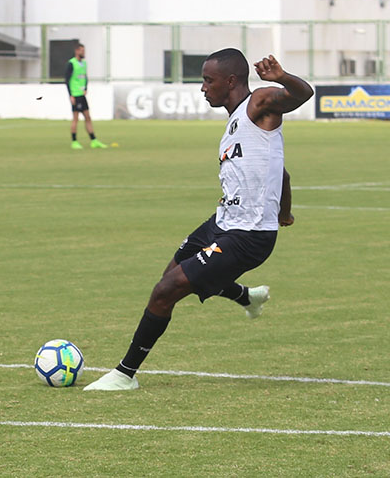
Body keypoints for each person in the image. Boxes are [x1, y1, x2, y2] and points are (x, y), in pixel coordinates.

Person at [84, 49, 313, 391]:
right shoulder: (236, 122)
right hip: (223, 221)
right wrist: (285, 211)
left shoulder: (258, 104)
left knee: (165, 292)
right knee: (171, 277)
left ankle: (124, 374)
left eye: (208, 80)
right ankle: (245, 297)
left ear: (231, 81)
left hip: (248, 235)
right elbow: (282, 172)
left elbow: (302, 94)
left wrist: (282, 78)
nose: (203, 88)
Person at [65, 43, 106, 150]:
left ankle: (94, 140)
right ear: (77, 51)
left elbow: (85, 77)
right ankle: (74, 141)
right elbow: (67, 80)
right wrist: (71, 95)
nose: (84, 53)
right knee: (76, 119)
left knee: (88, 117)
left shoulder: (84, 63)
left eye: (84, 51)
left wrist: (86, 88)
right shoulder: (71, 63)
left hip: (82, 95)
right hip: (75, 94)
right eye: (82, 51)